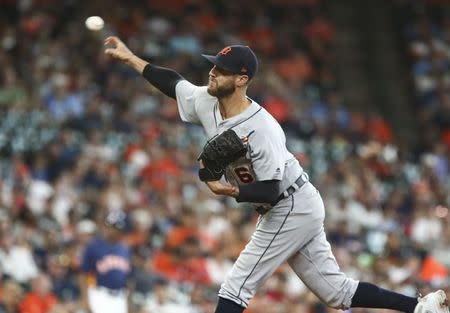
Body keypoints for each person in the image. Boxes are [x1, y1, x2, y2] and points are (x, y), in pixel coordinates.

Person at [104, 36, 449, 313]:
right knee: (336, 292)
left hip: (288, 202)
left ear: (241, 80)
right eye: (213, 66)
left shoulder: (262, 127)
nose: (212, 74)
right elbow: (173, 82)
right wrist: (131, 59)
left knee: (236, 286)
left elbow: (268, 191)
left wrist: (225, 191)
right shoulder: (206, 100)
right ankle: (421, 308)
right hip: (292, 203)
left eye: (221, 70)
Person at [80, 210, 131, 313]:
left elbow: (129, 279)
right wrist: (86, 300)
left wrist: (128, 302)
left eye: (115, 227)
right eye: (109, 226)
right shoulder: (94, 246)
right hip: (100, 295)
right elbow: (83, 275)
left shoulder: (124, 249)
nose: (111, 230)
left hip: (120, 297)